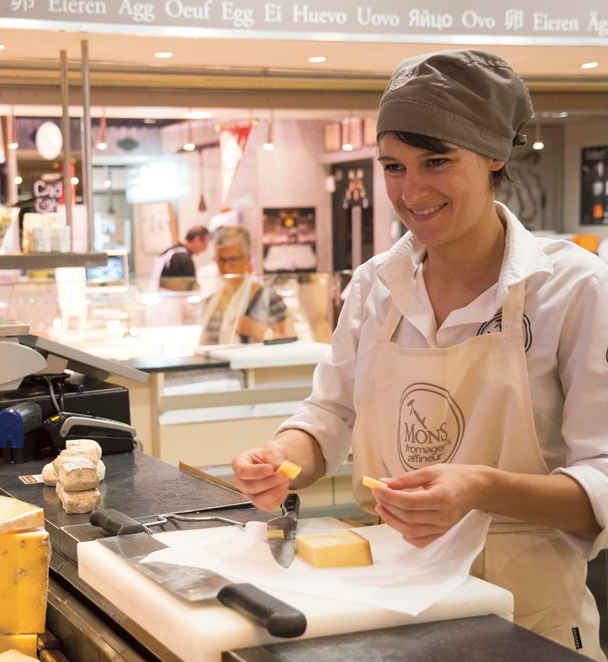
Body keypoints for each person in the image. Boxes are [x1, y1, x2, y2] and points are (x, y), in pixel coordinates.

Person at [231, 50, 608, 660]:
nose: (412, 190)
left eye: (437, 161)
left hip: (526, 617)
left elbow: (601, 485)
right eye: (394, 166)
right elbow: (327, 417)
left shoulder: (575, 289)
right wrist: (282, 458)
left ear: (495, 157)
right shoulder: (377, 285)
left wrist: (479, 488)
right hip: (389, 599)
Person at [199, 226, 295, 345]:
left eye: (233, 260)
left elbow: (292, 341)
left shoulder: (267, 297)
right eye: (221, 260)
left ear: (246, 260)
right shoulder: (210, 302)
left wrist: (260, 332)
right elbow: (202, 347)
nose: (226, 267)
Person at [153, 225, 210, 291]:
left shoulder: (169, 252)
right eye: (205, 243)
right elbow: (189, 289)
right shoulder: (184, 259)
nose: (205, 248)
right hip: (172, 299)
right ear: (196, 239)